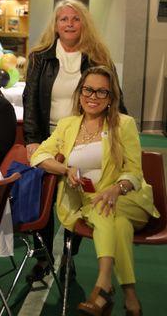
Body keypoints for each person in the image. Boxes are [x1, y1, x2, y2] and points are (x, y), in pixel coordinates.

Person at [31, 66, 158, 316]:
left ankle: (102, 284)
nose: (93, 96)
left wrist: (115, 188)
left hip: (128, 198)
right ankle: (130, 295)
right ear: (80, 93)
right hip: (87, 203)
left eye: (102, 92)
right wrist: (65, 169)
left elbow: (135, 170)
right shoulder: (68, 125)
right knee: (116, 223)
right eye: (88, 89)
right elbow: (39, 155)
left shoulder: (124, 124)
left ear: (111, 98)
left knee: (105, 208)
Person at [22, 0, 127, 282]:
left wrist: (119, 137)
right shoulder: (39, 57)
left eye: (75, 19)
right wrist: (32, 139)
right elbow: (30, 100)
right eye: (63, 19)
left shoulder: (99, 57)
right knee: (40, 197)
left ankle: (69, 253)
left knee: (80, 194)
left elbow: (115, 100)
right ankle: (43, 255)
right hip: (49, 135)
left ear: (84, 24)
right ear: (55, 25)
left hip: (86, 136)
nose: (69, 24)